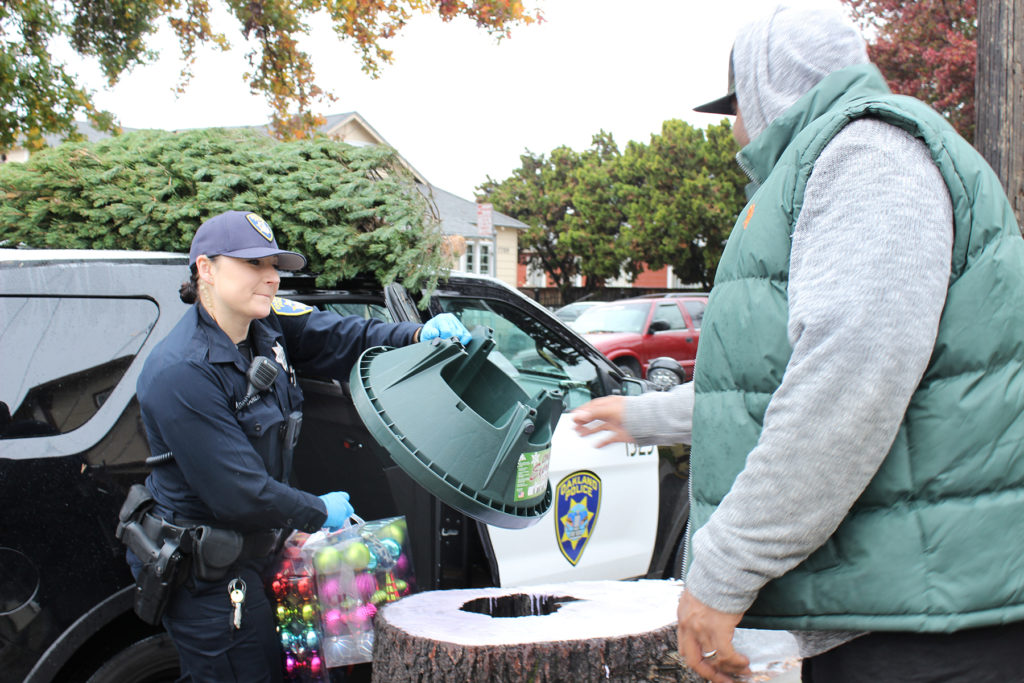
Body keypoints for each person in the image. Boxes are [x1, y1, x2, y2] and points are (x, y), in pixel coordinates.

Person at [574, 4, 1024, 682]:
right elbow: (773, 390)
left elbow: (845, 386)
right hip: (898, 608)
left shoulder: (868, 157)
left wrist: (723, 571)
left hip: (924, 632)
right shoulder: (840, 163)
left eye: (733, 105)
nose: (733, 129)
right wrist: (642, 414)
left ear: (769, 88)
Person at [127, 209, 471, 682]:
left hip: (264, 551)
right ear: (205, 268)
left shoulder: (265, 328)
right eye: (254, 265)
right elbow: (237, 491)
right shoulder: (182, 372)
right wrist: (315, 511)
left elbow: (338, 334)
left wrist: (414, 334)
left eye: (274, 266)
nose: (271, 278)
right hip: (211, 580)